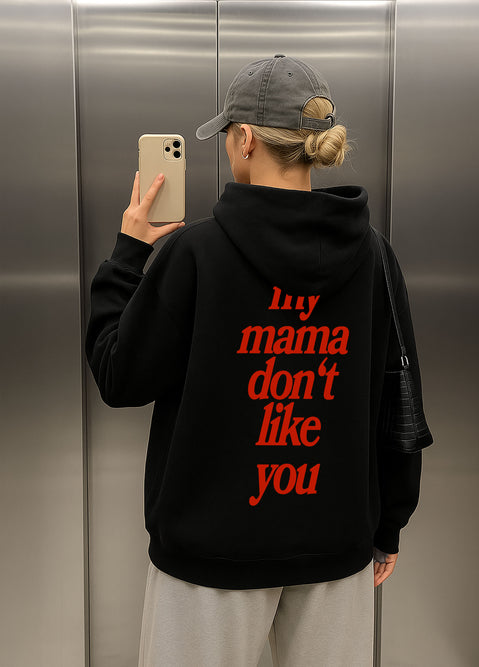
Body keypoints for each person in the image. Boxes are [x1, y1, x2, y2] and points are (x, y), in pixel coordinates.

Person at [85, 54, 428, 667]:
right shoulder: (374, 255)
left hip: (208, 559)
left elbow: (120, 376)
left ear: (244, 139)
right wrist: (390, 521)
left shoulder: (194, 253)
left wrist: (128, 255)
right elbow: (398, 394)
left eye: (226, 136)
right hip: (335, 549)